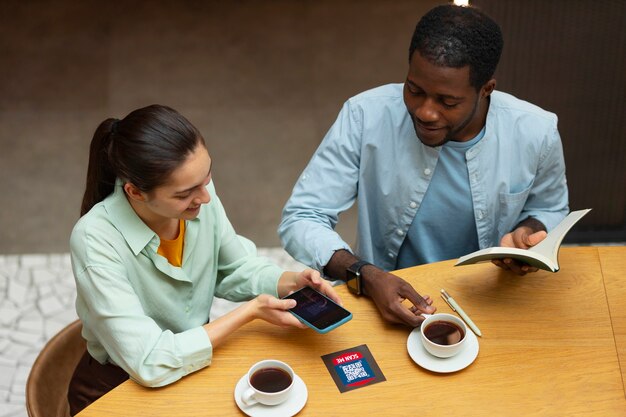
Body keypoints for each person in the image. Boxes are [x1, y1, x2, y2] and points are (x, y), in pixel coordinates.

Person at [279, 4, 568, 327]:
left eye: (448, 102)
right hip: (384, 301)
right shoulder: (365, 116)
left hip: (492, 301)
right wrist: (366, 274)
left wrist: (527, 234)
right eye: (414, 90)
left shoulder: (536, 131)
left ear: (486, 90)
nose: (425, 112)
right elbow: (302, 217)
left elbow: (550, 207)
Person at [67, 105, 341, 415]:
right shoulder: (94, 240)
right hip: (120, 389)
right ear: (135, 192)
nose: (205, 197)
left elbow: (232, 268)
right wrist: (250, 312)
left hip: (193, 367)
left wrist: (288, 281)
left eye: (206, 178)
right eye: (185, 193)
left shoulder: (196, 197)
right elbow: (148, 361)